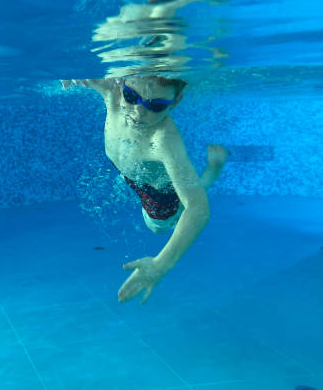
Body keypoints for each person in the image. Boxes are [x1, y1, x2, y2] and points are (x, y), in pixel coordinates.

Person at [61, 76, 227, 304]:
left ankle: (210, 174)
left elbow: (198, 208)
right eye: (131, 97)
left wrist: (160, 265)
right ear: (121, 86)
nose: (139, 113)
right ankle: (207, 175)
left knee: (158, 227)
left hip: (158, 194)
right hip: (132, 175)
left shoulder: (163, 140)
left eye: (156, 105)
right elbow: (84, 73)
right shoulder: (113, 92)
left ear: (176, 102)